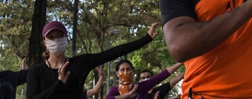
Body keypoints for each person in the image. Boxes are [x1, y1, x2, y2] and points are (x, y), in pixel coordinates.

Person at [26, 21, 159, 98]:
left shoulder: (80, 63)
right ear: (44, 42)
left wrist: (146, 38)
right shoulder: (35, 71)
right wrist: (59, 83)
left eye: (60, 35)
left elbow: (113, 53)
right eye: (52, 37)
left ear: (66, 38)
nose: (56, 40)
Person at [105, 61, 184, 99]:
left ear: (133, 71)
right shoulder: (114, 91)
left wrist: (182, 62)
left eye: (128, 69)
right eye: (122, 70)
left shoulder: (141, 86)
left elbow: (161, 76)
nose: (126, 73)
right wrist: (127, 96)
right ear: (117, 73)